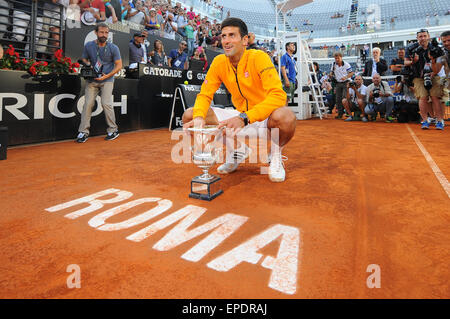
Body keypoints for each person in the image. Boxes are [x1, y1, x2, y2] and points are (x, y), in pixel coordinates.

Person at [182, 17, 296, 183]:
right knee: (190, 115)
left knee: (286, 117)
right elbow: (205, 94)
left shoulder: (259, 57)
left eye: (232, 36)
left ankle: (275, 156)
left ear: (245, 40)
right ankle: (237, 152)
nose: (226, 41)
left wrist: (245, 117)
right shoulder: (219, 62)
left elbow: (278, 95)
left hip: (264, 119)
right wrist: (199, 118)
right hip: (239, 114)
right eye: (223, 36)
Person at [76, 23, 122, 143]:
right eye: (101, 32)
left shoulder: (113, 48)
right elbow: (84, 58)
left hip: (107, 80)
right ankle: (83, 132)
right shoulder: (89, 45)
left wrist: (107, 75)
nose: (104, 35)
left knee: (106, 103)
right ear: (96, 33)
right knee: (88, 104)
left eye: (106, 32)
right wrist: (88, 64)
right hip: (92, 80)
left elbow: (119, 65)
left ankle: (113, 130)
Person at [405, 29, 444, 130]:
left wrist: (433, 69)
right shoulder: (410, 48)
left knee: (435, 97)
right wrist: (413, 61)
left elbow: (440, 65)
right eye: (420, 36)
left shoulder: (436, 48)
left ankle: (440, 121)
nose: (423, 38)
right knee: (422, 98)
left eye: (424, 36)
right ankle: (425, 121)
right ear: (417, 38)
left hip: (434, 75)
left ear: (428, 36)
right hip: (418, 77)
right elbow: (405, 62)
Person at [331, 52, 354, 118]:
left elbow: (351, 73)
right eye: (335, 58)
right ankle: (340, 114)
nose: (337, 60)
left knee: (344, 97)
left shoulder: (346, 64)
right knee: (338, 99)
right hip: (338, 83)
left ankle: (348, 112)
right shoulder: (333, 64)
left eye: (338, 58)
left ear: (341, 57)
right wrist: (330, 74)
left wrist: (346, 77)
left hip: (345, 82)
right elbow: (332, 72)